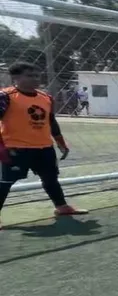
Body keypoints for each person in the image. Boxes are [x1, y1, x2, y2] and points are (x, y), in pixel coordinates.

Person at [0, 62, 86, 229]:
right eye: (29, 76)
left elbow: (51, 122)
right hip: (16, 148)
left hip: (44, 148)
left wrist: (61, 143)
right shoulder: (6, 96)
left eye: (37, 76)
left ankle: (62, 207)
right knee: (6, 182)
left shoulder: (45, 97)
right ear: (15, 78)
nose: (35, 79)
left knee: (50, 178)